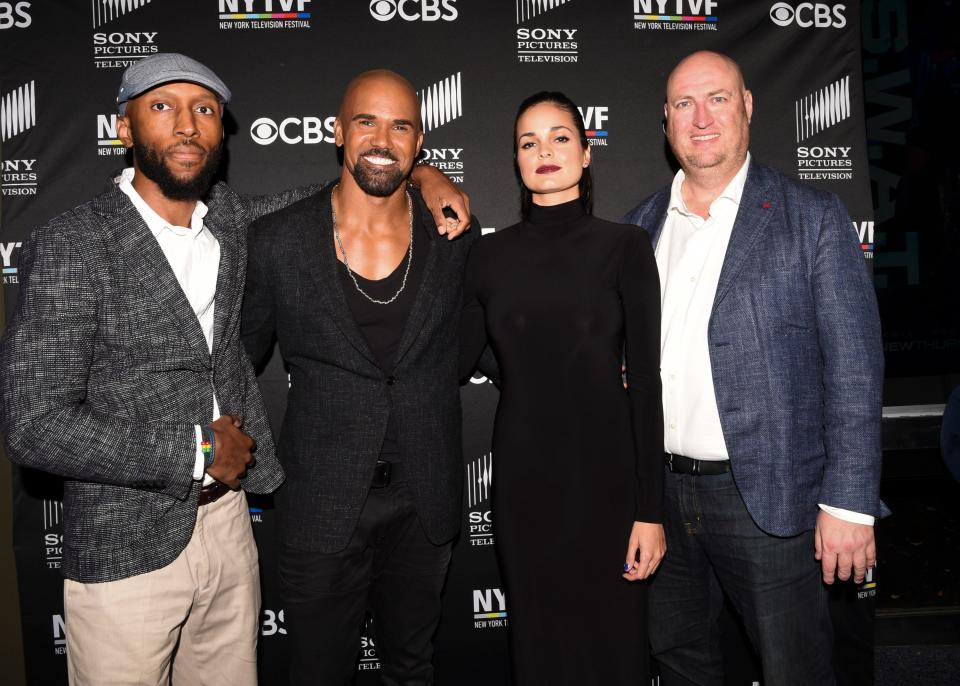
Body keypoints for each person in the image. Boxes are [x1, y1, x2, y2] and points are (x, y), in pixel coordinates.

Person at [0, 53, 469, 686]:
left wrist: (427, 177)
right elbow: (34, 428)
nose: (187, 126)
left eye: (204, 111)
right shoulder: (71, 245)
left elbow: (355, 185)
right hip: (125, 542)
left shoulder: (229, 222)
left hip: (226, 530)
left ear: (222, 128)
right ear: (124, 128)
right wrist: (193, 454)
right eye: (162, 108)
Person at [622, 51, 885, 685]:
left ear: (747, 107)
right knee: (680, 662)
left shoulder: (812, 217)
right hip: (661, 498)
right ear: (665, 122)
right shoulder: (639, 227)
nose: (701, 117)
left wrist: (850, 504)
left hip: (771, 501)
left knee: (795, 669)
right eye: (684, 104)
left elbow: (854, 365)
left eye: (717, 98)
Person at [241, 69, 478, 686]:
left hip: (426, 501)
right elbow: (237, 363)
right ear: (337, 131)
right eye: (366, 121)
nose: (382, 138)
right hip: (320, 503)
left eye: (401, 124)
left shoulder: (450, 230)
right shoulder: (278, 239)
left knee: (412, 670)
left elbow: (491, 334)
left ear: (419, 142)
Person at [459, 91, 665, 685]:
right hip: (526, 486)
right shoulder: (487, 255)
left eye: (559, 137)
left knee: (617, 650)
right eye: (529, 142)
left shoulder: (625, 247)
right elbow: (453, 359)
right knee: (540, 651)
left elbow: (645, 383)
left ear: (586, 152)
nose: (544, 151)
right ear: (517, 162)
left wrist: (650, 509)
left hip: (609, 483)